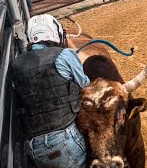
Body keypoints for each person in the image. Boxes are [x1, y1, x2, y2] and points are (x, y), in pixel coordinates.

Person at [11, 14, 90, 167]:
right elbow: (84, 83)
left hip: (33, 146)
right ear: (55, 33)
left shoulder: (16, 64)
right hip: (64, 138)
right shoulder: (64, 54)